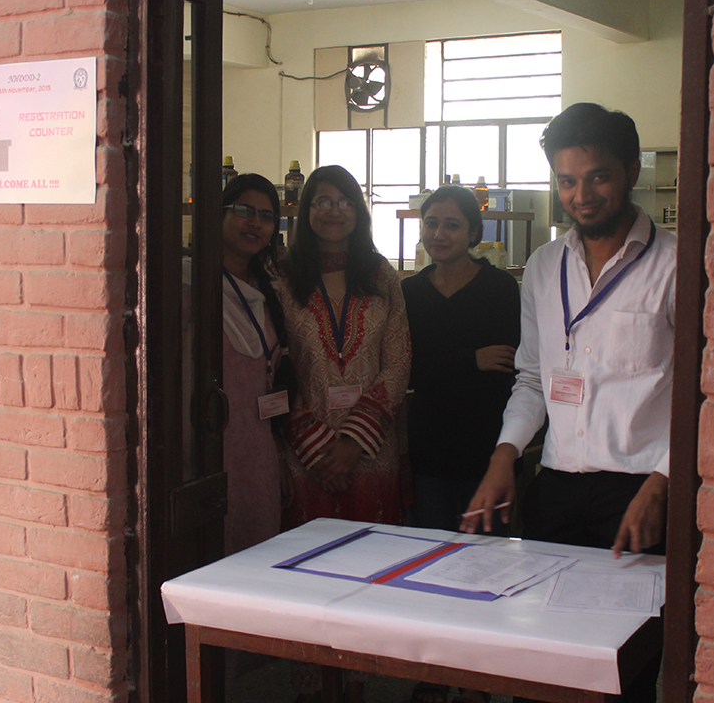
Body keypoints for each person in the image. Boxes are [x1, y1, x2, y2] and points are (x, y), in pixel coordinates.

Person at [461, 103, 675, 703]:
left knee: (622, 668)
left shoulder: (676, 264)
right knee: (542, 657)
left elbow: (701, 390)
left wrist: (662, 485)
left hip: (636, 491)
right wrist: (504, 456)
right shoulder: (542, 266)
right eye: (567, 180)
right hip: (554, 486)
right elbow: (532, 378)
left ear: (631, 171)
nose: (582, 195)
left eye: (598, 176)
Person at [275, 164, 411, 703]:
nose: (333, 210)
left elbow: (397, 363)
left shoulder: (382, 276)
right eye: (321, 201)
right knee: (307, 576)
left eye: (344, 200)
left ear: (359, 211)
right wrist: (315, 446)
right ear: (306, 212)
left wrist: (352, 443)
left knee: (364, 571)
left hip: (370, 452)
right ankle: (308, 686)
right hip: (304, 451)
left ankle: (356, 683)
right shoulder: (281, 277)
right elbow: (275, 368)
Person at [403, 184, 520, 534]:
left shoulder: (499, 287)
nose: (438, 234)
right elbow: (406, 372)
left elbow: (504, 365)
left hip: (485, 448)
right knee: (429, 551)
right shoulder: (410, 292)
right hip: (428, 449)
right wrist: (472, 359)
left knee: (486, 553)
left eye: (451, 225)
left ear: (472, 232)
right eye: (431, 223)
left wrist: (438, 367)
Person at [189, 172, 289, 556]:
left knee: (258, 549)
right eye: (244, 211)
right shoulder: (190, 284)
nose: (255, 223)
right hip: (207, 445)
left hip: (259, 447)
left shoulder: (270, 289)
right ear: (220, 214)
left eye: (266, 216)